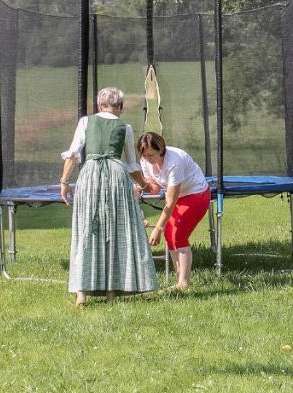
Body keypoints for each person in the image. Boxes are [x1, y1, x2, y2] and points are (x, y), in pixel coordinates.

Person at [59, 88, 157, 308]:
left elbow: (73, 154)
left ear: (99, 104)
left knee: (87, 229)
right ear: (120, 107)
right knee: (115, 230)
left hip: (90, 175)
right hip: (116, 176)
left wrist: (64, 182)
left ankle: (81, 292)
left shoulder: (86, 122)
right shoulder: (125, 127)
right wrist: (144, 184)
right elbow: (132, 164)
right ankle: (112, 291)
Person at [137, 132, 211, 292]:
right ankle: (180, 279)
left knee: (177, 234)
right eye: (144, 155)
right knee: (170, 235)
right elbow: (154, 186)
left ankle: (183, 283)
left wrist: (157, 228)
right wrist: (139, 186)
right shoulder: (145, 160)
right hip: (180, 197)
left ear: (161, 149)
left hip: (196, 195)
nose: (148, 159)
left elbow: (170, 202)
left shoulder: (174, 162)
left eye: (151, 155)